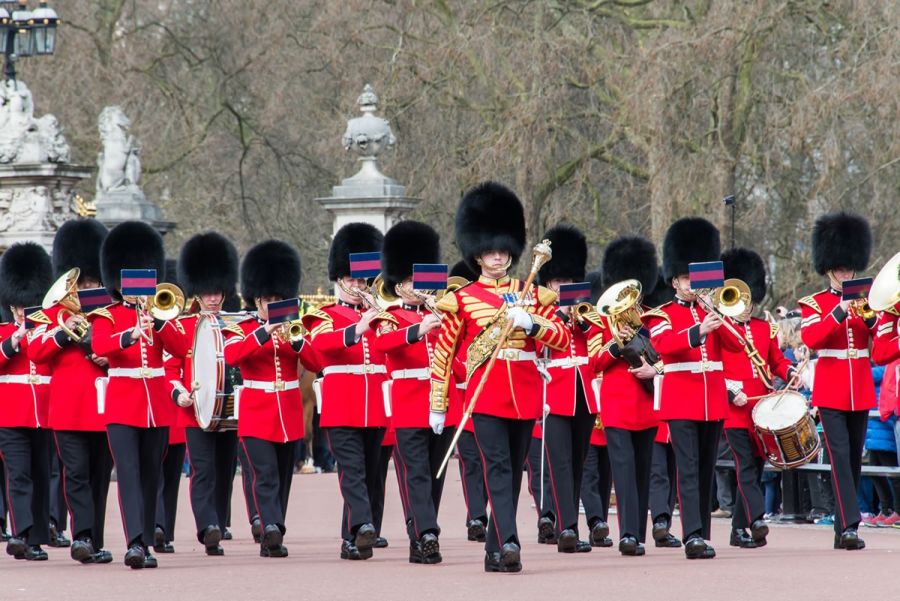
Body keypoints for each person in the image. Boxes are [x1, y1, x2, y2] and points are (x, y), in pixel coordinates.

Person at [429, 181, 571, 573]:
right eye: (490, 251)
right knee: (498, 468)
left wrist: (532, 323)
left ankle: (495, 549)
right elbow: (444, 353)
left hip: (524, 392)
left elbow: (561, 338)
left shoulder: (533, 296)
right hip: (486, 395)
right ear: (477, 253)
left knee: (512, 472)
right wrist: (438, 404)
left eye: (503, 250)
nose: (497, 257)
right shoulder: (461, 299)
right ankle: (510, 540)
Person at [89, 221, 186, 569]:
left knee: (150, 475)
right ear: (118, 280)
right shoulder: (107, 315)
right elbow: (100, 345)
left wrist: (158, 321)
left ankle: (145, 542)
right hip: (122, 404)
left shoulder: (161, 313)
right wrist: (130, 335)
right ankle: (133, 543)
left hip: (156, 406)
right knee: (128, 472)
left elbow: (181, 346)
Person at [644, 217, 740, 560]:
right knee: (687, 468)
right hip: (682, 399)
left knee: (705, 469)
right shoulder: (662, 314)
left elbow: (737, 346)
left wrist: (715, 315)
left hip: (711, 400)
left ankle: (703, 534)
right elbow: (663, 346)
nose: (691, 283)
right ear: (675, 280)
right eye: (686, 278)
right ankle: (693, 535)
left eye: (695, 278)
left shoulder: (710, 310)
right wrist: (699, 329)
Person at [224, 240, 319, 558]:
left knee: (282, 476)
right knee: (264, 475)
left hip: (289, 412)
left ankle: (273, 531)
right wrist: (264, 332)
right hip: (256, 412)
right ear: (257, 299)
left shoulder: (294, 329)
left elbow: (317, 363)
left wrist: (295, 340)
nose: (273, 304)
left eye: (278, 299)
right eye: (268, 300)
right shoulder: (244, 328)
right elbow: (233, 355)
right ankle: (272, 528)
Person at [28, 218, 114, 564]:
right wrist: (65, 333)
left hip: (104, 406)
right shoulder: (53, 313)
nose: (87, 286)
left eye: (93, 280)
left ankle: (94, 539)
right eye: (82, 281)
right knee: (75, 474)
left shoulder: (110, 313)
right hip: (67, 408)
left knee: (99, 477)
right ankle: (81, 536)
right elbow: (35, 352)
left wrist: (105, 356)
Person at [302, 223, 388, 561]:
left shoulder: (381, 316)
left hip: (375, 406)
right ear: (339, 280)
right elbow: (322, 345)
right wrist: (359, 326)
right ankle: (364, 525)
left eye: (362, 280)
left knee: (372, 475)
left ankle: (351, 538)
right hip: (342, 404)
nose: (358, 286)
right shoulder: (324, 315)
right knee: (352, 471)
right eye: (352, 280)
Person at [799, 211, 877, 550]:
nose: (846, 273)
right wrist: (840, 311)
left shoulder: (868, 301)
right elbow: (812, 338)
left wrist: (871, 315)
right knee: (840, 457)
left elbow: (878, 338)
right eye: (841, 268)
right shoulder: (814, 304)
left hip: (859, 388)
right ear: (829, 268)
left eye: (849, 268)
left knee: (854, 457)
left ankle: (841, 527)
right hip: (830, 391)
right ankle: (849, 526)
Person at [163, 232, 242, 556]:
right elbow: (169, 369)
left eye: (217, 293)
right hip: (194, 410)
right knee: (203, 470)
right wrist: (179, 393)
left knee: (225, 471)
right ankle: (207, 527)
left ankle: (219, 524)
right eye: (207, 293)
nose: (213, 298)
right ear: (197, 293)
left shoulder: (235, 324)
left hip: (230, 409)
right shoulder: (182, 327)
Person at [719, 248, 796, 548]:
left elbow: (775, 360)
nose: (746, 306)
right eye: (742, 300)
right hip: (734, 409)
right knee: (745, 467)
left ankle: (738, 531)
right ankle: (756, 520)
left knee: (756, 465)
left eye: (750, 299)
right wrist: (728, 392)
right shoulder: (722, 331)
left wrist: (790, 372)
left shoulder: (765, 329)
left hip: (760, 409)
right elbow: (716, 367)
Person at [592, 235, 661, 556]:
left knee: (643, 471)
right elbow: (595, 362)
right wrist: (617, 346)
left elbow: (663, 358)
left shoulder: (651, 318)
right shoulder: (601, 319)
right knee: (623, 470)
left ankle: (640, 534)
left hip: (647, 404)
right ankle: (628, 534)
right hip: (617, 405)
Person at [0, 243, 54, 561]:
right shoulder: (4, 331)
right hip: (10, 412)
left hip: (44, 412)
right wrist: (12, 343)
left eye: (29, 303)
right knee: (18, 474)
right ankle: (20, 534)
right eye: (19, 305)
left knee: (41, 472)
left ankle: (36, 536)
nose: (24, 310)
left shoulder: (48, 332)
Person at [447, 260, 488, 543]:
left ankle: (487, 513)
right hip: (463, 403)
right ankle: (475, 515)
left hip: (488, 400)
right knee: (471, 463)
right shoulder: (454, 324)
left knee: (492, 463)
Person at [154, 259, 186, 555]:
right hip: (150, 403)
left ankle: (165, 528)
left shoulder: (177, 327)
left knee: (171, 474)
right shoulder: (144, 324)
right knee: (152, 472)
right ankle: (154, 525)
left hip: (174, 410)